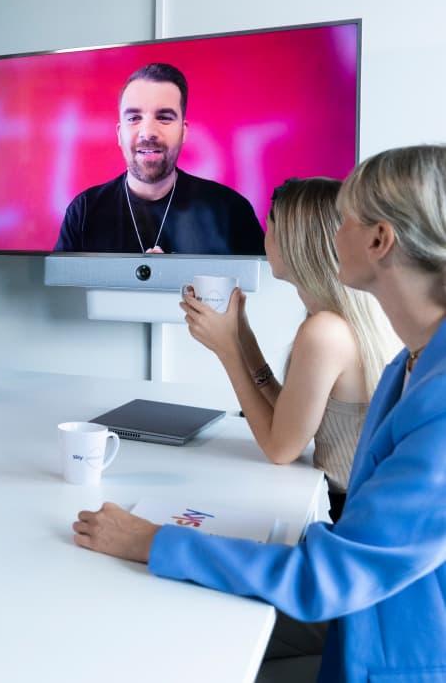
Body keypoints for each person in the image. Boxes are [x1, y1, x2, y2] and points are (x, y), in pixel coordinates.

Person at [73, 144, 446, 682]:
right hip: (370, 620)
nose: (330, 231)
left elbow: (328, 577)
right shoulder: (406, 366)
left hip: (397, 653)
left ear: (380, 239)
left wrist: (150, 540)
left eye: (342, 218)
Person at [180, 177, 398, 520]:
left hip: (344, 513)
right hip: (350, 502)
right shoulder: (333, 320)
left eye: (270, 225)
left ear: (295, 242)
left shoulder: (324, 332)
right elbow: (289, 420)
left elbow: (280, 448)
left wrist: (228, 352)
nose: (262, 235)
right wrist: (242, 337)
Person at [54, 63, 265, 255]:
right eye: (134, 118)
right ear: (119, 134)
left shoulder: (231, 211)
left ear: (183, 132)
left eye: (164, 118)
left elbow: (261, 294)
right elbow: (62, 294)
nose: (148, 133)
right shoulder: (83, 212)